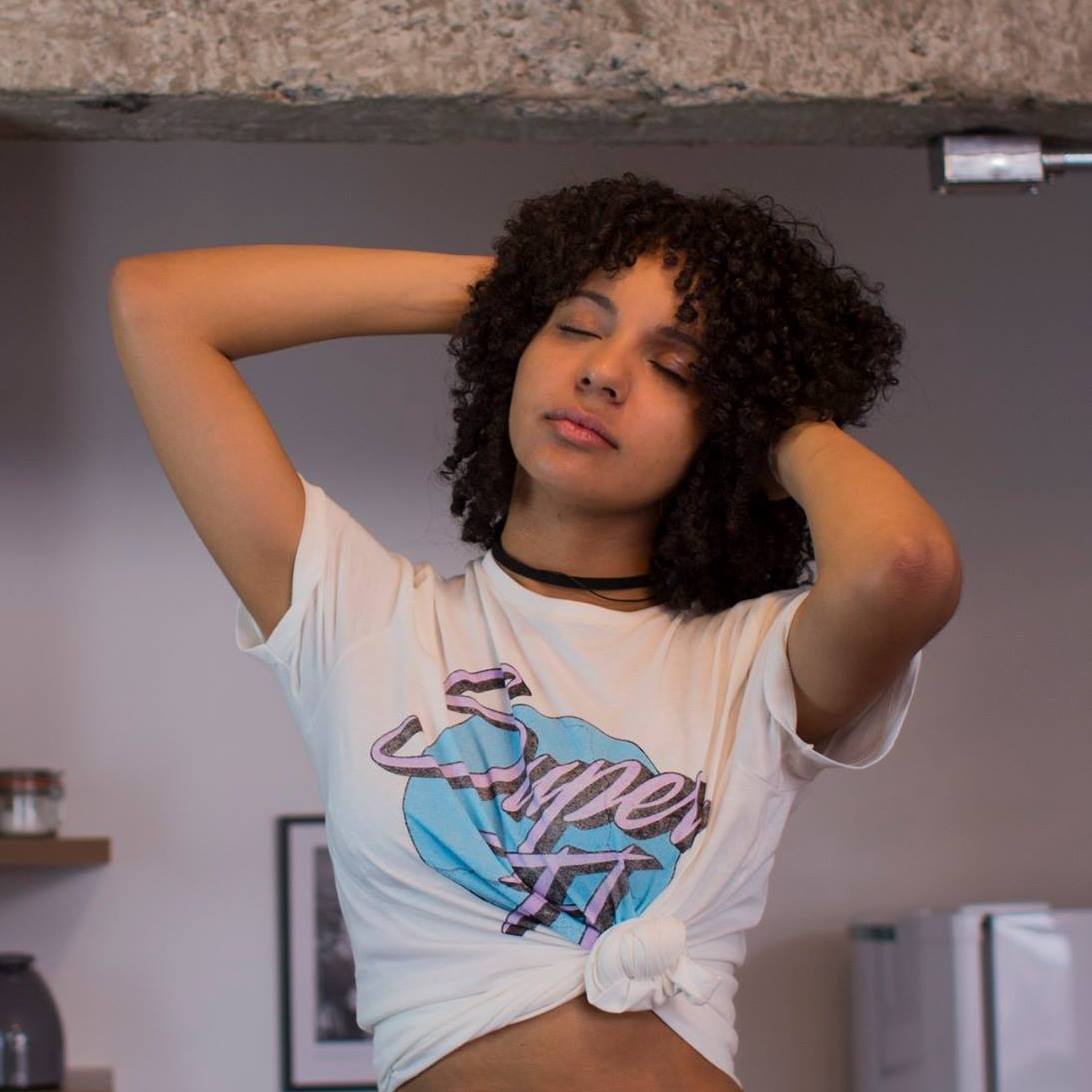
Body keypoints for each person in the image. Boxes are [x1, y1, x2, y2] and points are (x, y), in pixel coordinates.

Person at [108, 171, 957, 1092]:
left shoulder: (753, 662)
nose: (602, 372)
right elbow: (159, 304)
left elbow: (905, 565)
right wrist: (515, 289)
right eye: (578, 326)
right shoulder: (363, 619)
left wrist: (765, 404)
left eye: (677, 368)